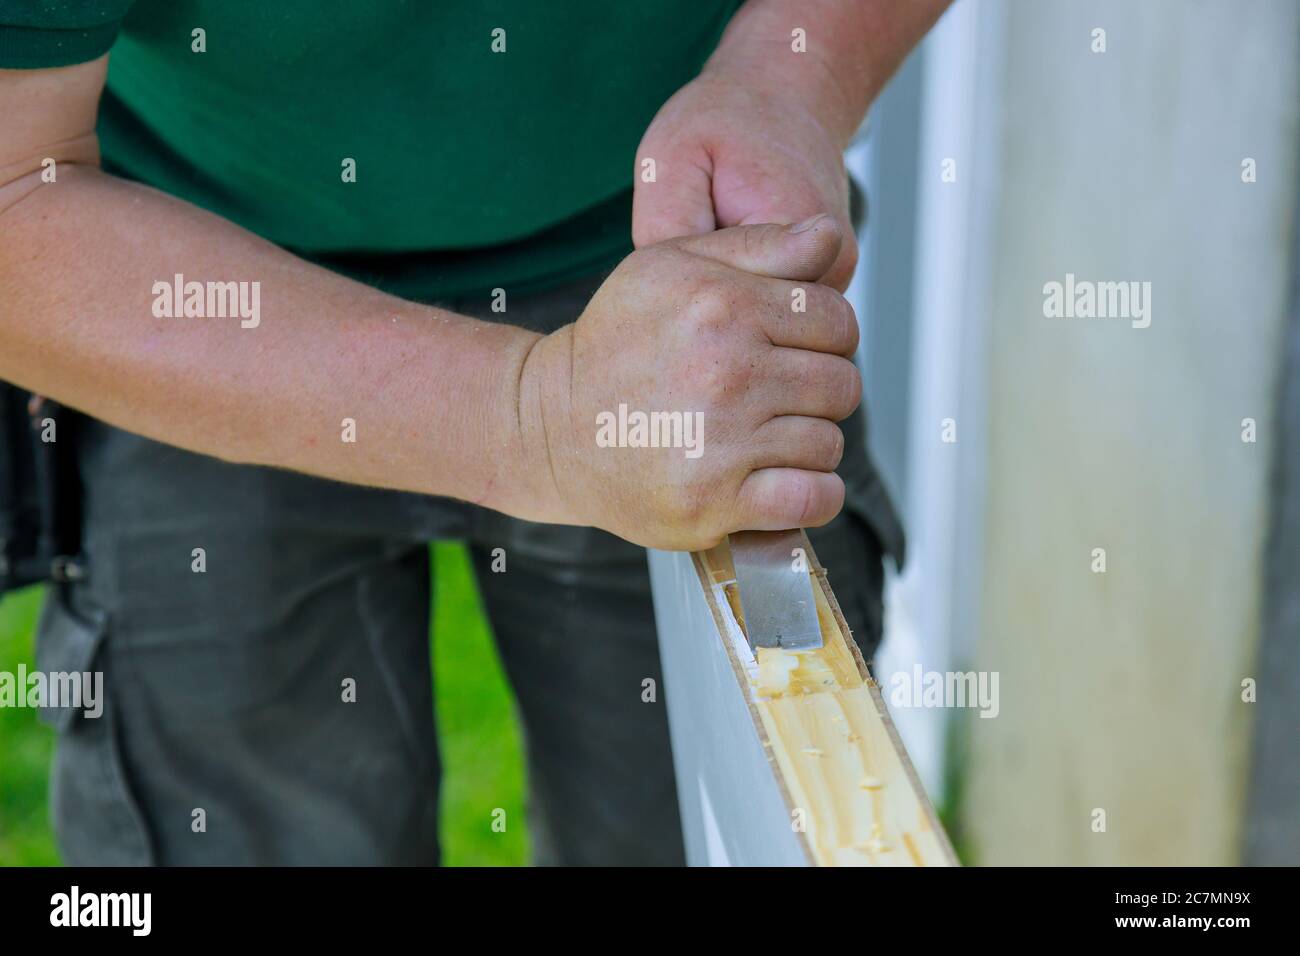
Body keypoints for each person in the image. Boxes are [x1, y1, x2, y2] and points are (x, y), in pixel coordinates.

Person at [0, 0, 949, 865]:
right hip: (183, 289)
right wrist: (530, 419)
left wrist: (790, 70)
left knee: (737, 802)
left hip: (666, 279)